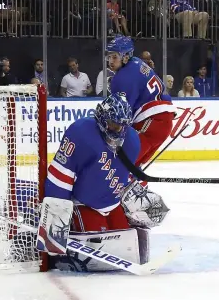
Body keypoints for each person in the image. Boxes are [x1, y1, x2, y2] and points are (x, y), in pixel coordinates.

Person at [36, 93, 170, 272]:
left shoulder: (131, 140)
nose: (118, 131)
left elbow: (127, 174)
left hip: (112, 204)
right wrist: (54, 225)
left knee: (125, 243)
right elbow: (60, 176)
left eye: (123, 125)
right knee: (98, 245)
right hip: (83, 203)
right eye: (114, 124)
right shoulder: (80, 133)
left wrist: (140, 193)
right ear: (101, 118)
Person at [107, 36, 176, 184]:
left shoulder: (122, 78)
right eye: (109, 57)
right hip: (161, 122)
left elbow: (123, 116)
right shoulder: (137, 62)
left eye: (114, 56)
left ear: (126, 56)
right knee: (134, 168)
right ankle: (140, 196)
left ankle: (129, 197)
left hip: (151, 122)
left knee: (120, 166)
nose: (111, 61)